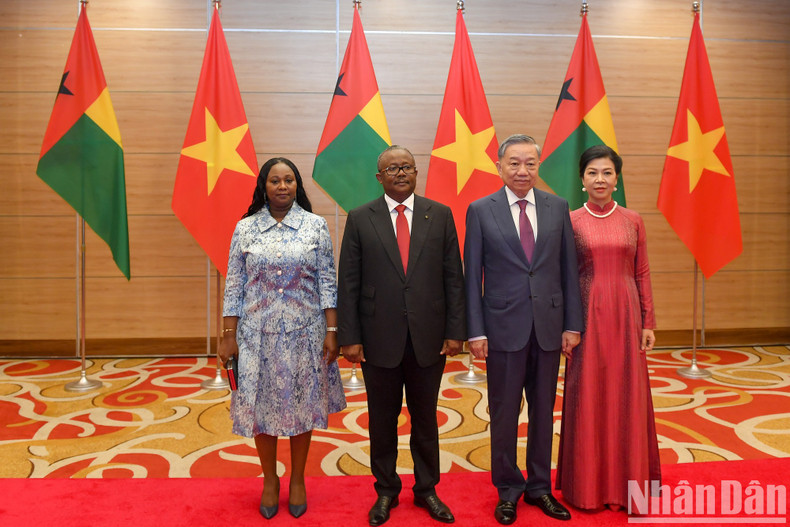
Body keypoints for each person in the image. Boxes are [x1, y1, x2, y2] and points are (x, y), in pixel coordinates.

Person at [337, 145, 466, 526]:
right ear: (379, 178)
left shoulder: (439, 215)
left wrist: (455, 330)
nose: (400, 173)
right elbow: (349, 282)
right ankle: (386, 491)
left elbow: (453, 279)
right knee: (382, 420)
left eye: (407, 166)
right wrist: (350, 336)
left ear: (416, 172)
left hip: (430, 335)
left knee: (426, 419)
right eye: (391, 168)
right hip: (379, 338)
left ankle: (427, 489)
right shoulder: (361, 218)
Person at [464, 134, 583, 525]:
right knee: (503, 413)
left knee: (543, 411)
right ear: (500, 166)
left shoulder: (557, 206)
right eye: (514, 163)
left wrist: (572, 325)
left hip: (549, 328)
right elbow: (472, 277)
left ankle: (539, 487)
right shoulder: (481, 210)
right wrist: (475, 331)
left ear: (538, 166)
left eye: (530, 163)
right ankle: (508, 489)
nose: (522, 171)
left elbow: (568, 271)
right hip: (501, 329)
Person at [218, 157, 346, 520]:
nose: (282, 186)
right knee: (262, 410)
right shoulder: (245, 229)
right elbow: (234, 287)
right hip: (257, 335)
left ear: (297, 185)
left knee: (303, 406)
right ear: (264, 186)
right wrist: (228, 336)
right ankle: (270, 480)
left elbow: (327, 283)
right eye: (275, 180)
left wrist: (332, 330)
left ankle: (300, 478)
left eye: (289, 180)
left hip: (305, 334)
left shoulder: (315, 226)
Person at [555, 144, 661, 510]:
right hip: (587, 319)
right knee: (589, 394)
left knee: (626, 392)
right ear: (582, 181)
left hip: (627, 315)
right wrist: (567, 325)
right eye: (592, 173)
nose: (600, 179)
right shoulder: (569, 221)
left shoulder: (633, 219)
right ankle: (588, 486)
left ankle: (628, 483)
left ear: (617, 179)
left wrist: (649, 319)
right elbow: (564, 278)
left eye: (607, 173)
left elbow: (642, 271)